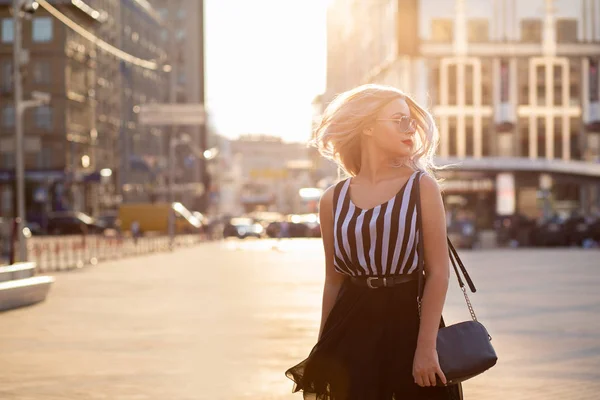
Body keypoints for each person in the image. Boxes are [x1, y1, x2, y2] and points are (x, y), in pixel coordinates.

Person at [285, 84, 463, 399]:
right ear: (367, 127)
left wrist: (426, 347)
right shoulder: (333, 199)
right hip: (352, 323)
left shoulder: (421, 187)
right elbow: (334, 281)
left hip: (409, 319)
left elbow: (438, 273)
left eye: (411, 120)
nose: (410, 129)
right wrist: (323, 347)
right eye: (399, 120)